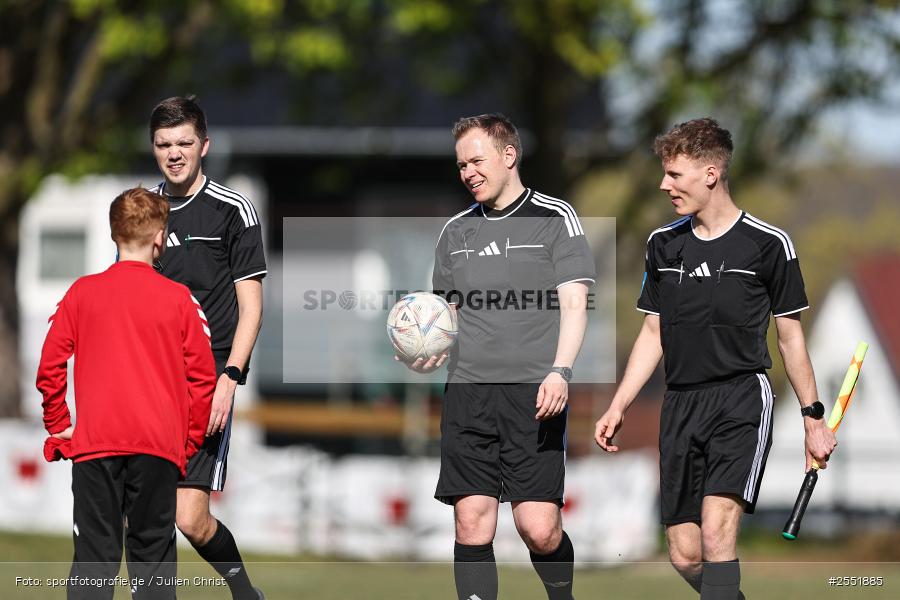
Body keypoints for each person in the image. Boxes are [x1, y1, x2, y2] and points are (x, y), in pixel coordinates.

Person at [593, 118, 837, 600]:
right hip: (679, 403)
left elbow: (790, 340)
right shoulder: (662, 245)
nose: (664, 185)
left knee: (716, 532)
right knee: (685, 554)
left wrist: (813, 419)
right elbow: (651, 332)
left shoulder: (770, 246)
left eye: (675, 175)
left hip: (740, 399)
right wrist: (619, 403)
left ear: (710, 173)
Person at [404, 113, 595, 600]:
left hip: (534, 395)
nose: (467, 172)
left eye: (476, 160)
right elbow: (443, 318)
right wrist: (427, 351)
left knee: (538, 528)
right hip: (468, 393)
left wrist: (561, 371)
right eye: (461, 164)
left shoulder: (555, 218)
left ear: (509, 156)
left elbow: (575, 304)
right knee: (471, 523)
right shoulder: (454, 232)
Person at [36, 187, 215, 599]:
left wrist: (60, 425)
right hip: (157, 449)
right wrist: (186, 442)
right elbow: (202, 379)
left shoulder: (81, 293)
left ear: (114, 234)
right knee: (152, 565)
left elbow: (50, 365)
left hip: (96, 446)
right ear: (159, 238)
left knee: (94, 564)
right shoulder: (181, 300)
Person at [148, 96, 267, 600]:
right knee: (147, 511)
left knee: (191, 519)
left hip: (206, 383)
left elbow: (252, 308)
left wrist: (230, 378)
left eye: (184, 144)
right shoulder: (142, 210)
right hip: (150, 383)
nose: (174, 154)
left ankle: (244, 591)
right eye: (163, 145)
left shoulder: (232, 210)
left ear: (205, 146)